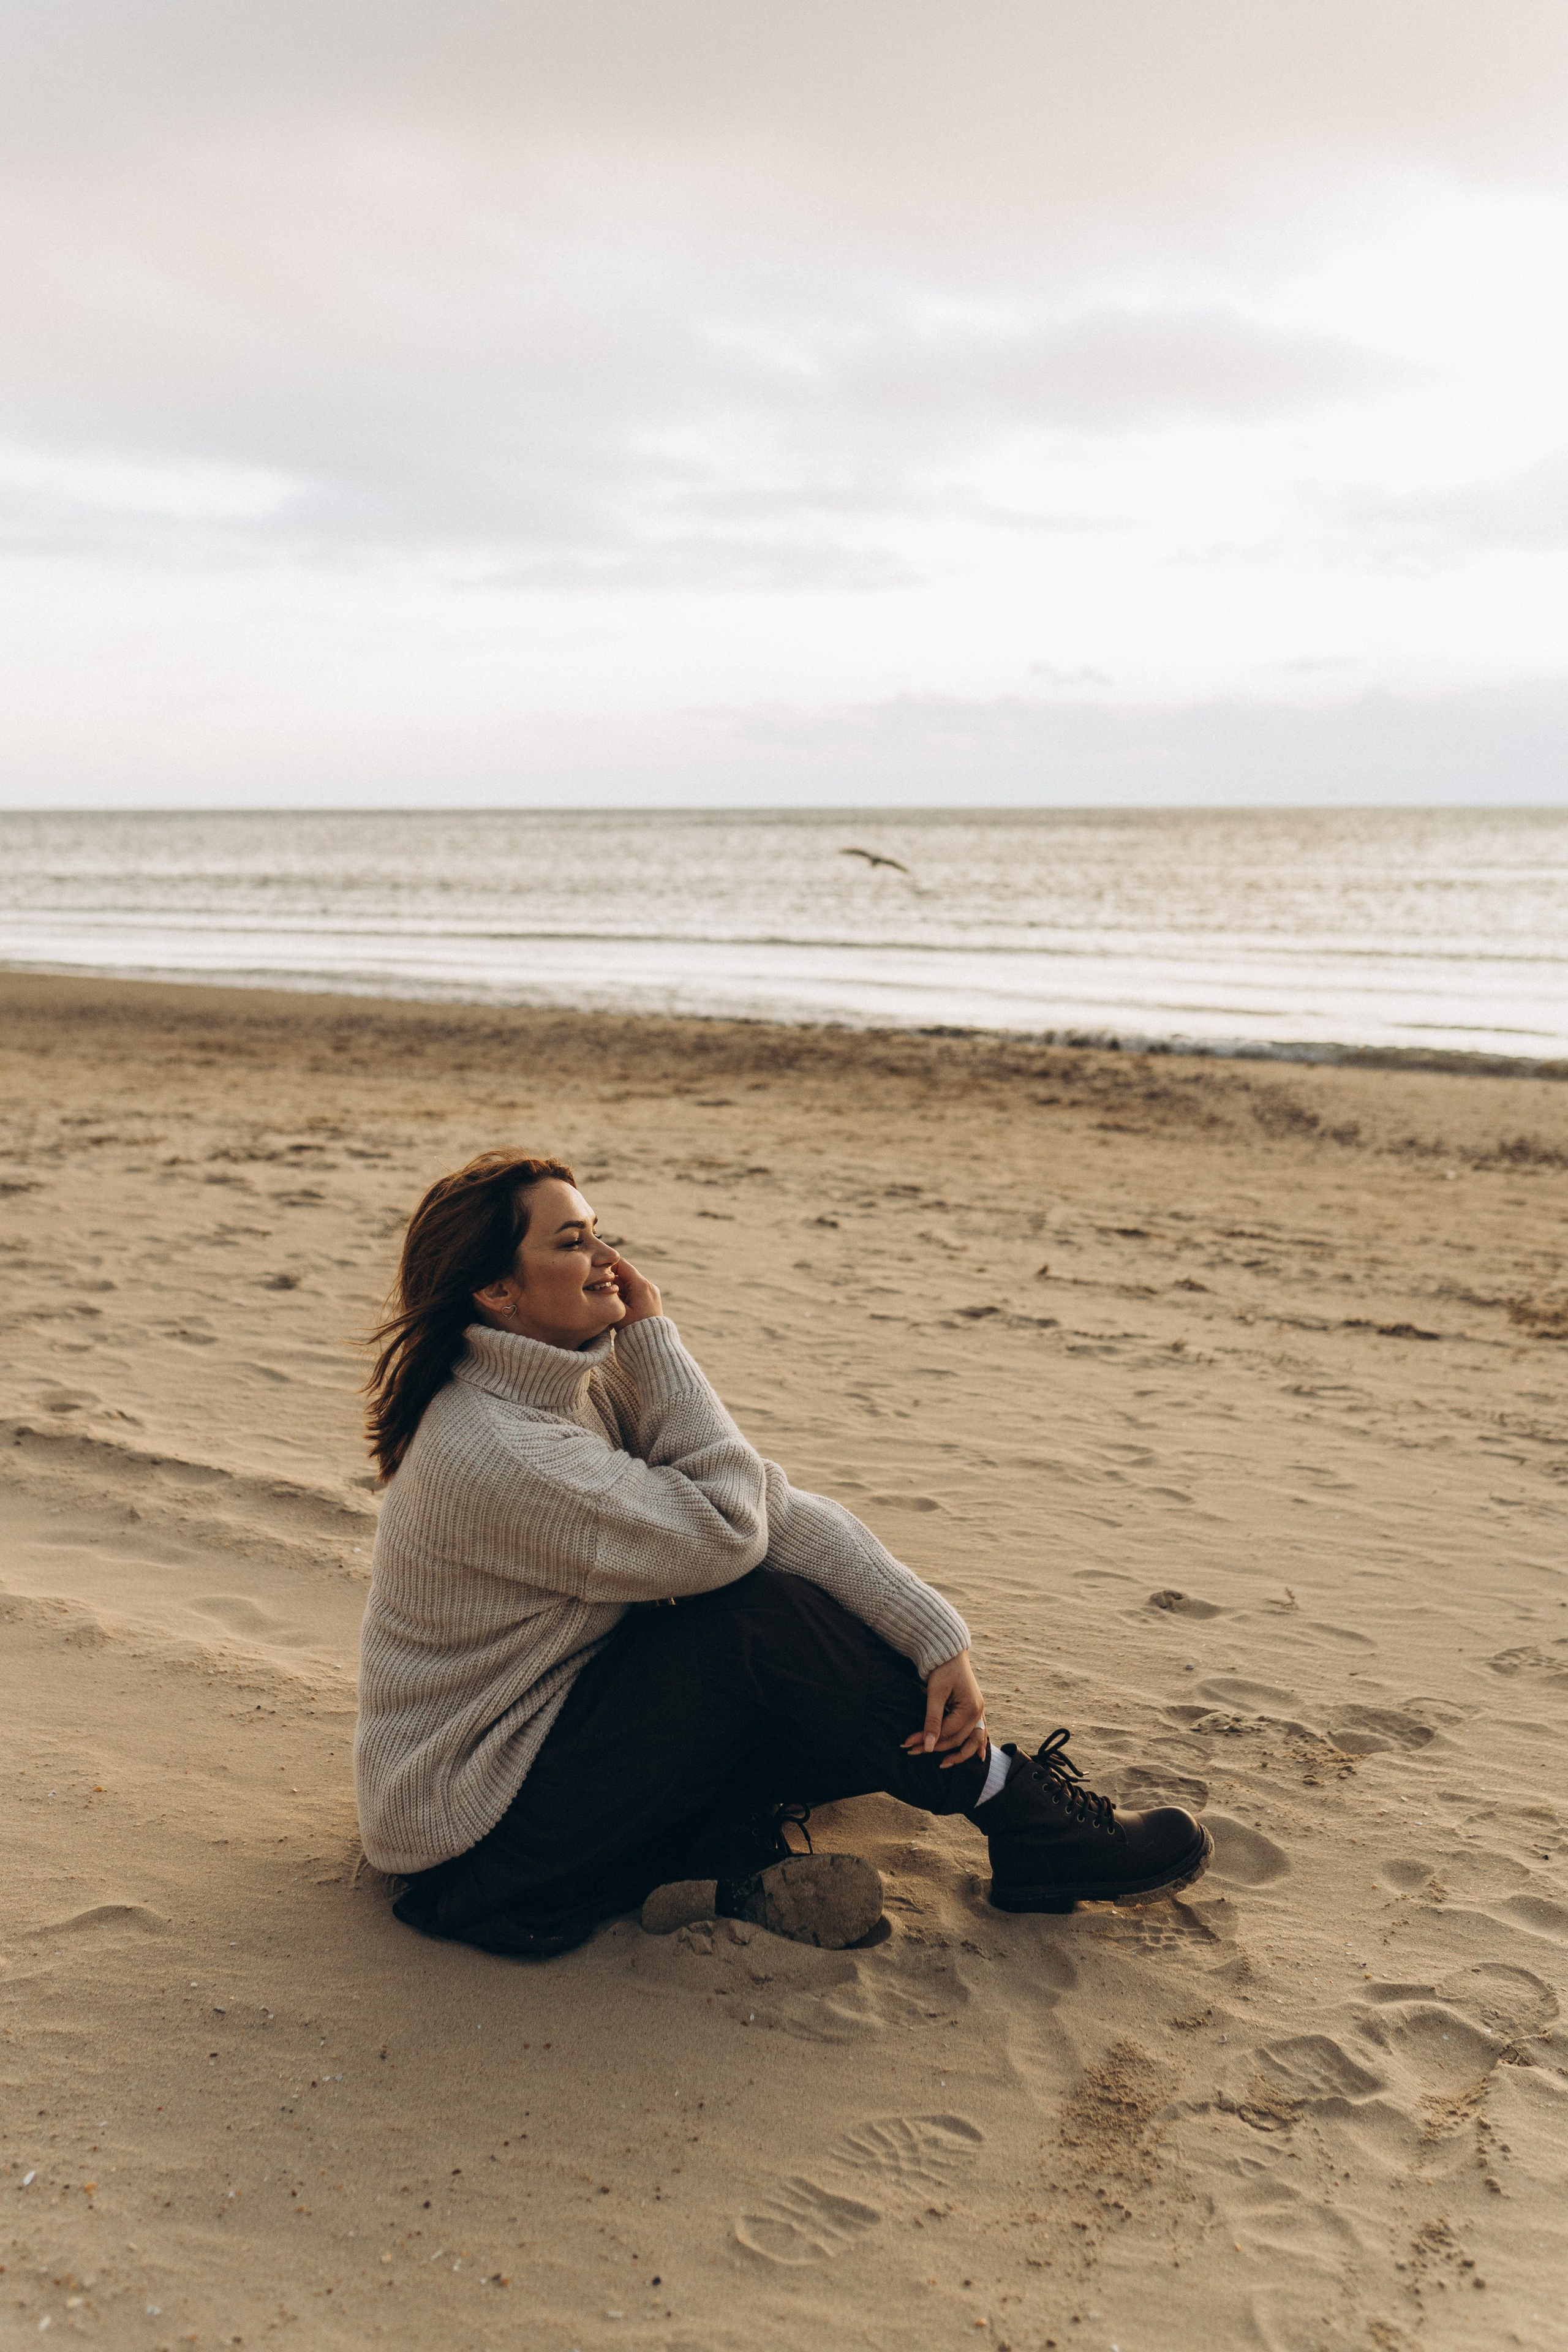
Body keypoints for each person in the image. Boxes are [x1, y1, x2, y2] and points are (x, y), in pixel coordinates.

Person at [355, 1150, 1210, 1957]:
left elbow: (767, 1505)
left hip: (551, 1755)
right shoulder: (500, 1448)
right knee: (760, 1625)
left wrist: (934, 1635)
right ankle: (1022, 1818)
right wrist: (658, 1343)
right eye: (573, 1242)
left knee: (817, 1659)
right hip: (478, 1837)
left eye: (599, 1231)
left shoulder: (564, 1377)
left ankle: (717, 1863)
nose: (609, 1258)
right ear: (498, 1288)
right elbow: (730, 1534)